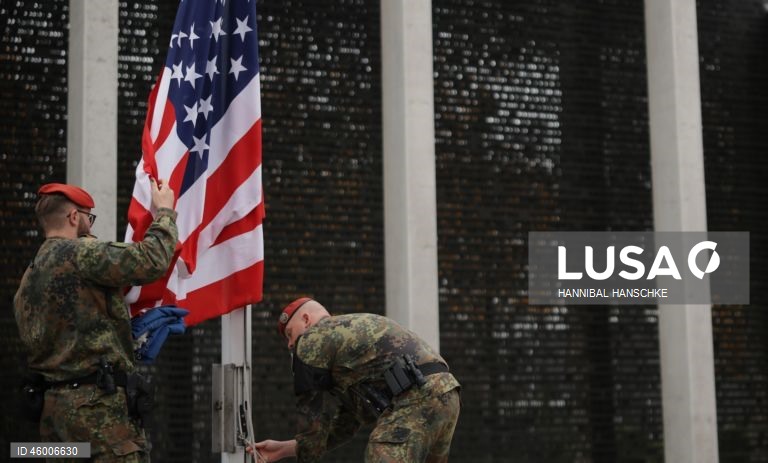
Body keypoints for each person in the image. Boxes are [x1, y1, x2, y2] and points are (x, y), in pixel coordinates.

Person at [13, 179, 178, 462]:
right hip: (98, 416)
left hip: (53, 418)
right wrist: (165, 212)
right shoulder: (80, 253)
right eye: (88, 218)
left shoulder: (28, 278)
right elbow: (152, 260)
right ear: (73, 217)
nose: (90, 225)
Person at [251, 298, 461, 463]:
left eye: (290, 334)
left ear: (306, 320)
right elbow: (346, 424)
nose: (290, 344)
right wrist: (287, 449)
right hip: (445, 394)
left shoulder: (312, 338)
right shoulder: (349, 343)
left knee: (381, 453)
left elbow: (312, 413)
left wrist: (306, 456)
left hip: (415, 397)